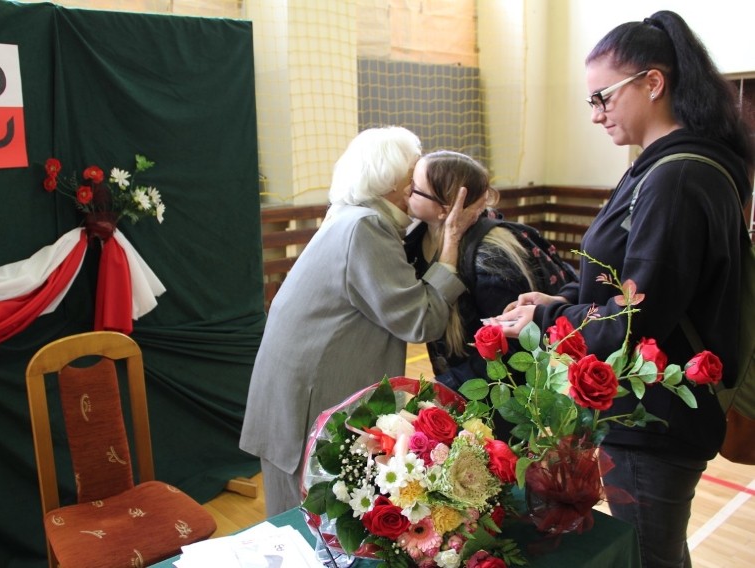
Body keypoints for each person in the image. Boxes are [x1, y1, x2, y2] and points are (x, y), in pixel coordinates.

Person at [497, 11, 754, 568]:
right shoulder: (665, 168)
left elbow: (639, 317)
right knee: (655, 551)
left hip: (656, 417)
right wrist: (560, 303)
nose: (596, 115)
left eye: (602, 98)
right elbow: (637, 287)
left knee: (648, 557)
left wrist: (540, 323)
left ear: (653, 83)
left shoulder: (679, 176)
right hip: (652, 409)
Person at [239, 126, 479, 516]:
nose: (415, 187)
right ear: (391, 183)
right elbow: (420, 320)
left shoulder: (352, 215)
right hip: (310, 394)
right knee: (306, 519)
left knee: (307, 513)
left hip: (299, 385)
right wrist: (450, 243)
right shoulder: (365, 228)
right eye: (411, 176)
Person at [403, 151, 541, 390]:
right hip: (458, 379)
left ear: (445, 209)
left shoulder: (490, 258)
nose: (406, 191)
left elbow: (512, 348)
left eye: (415, 188)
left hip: (501, 391)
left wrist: (448, 386)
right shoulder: (418, 241)